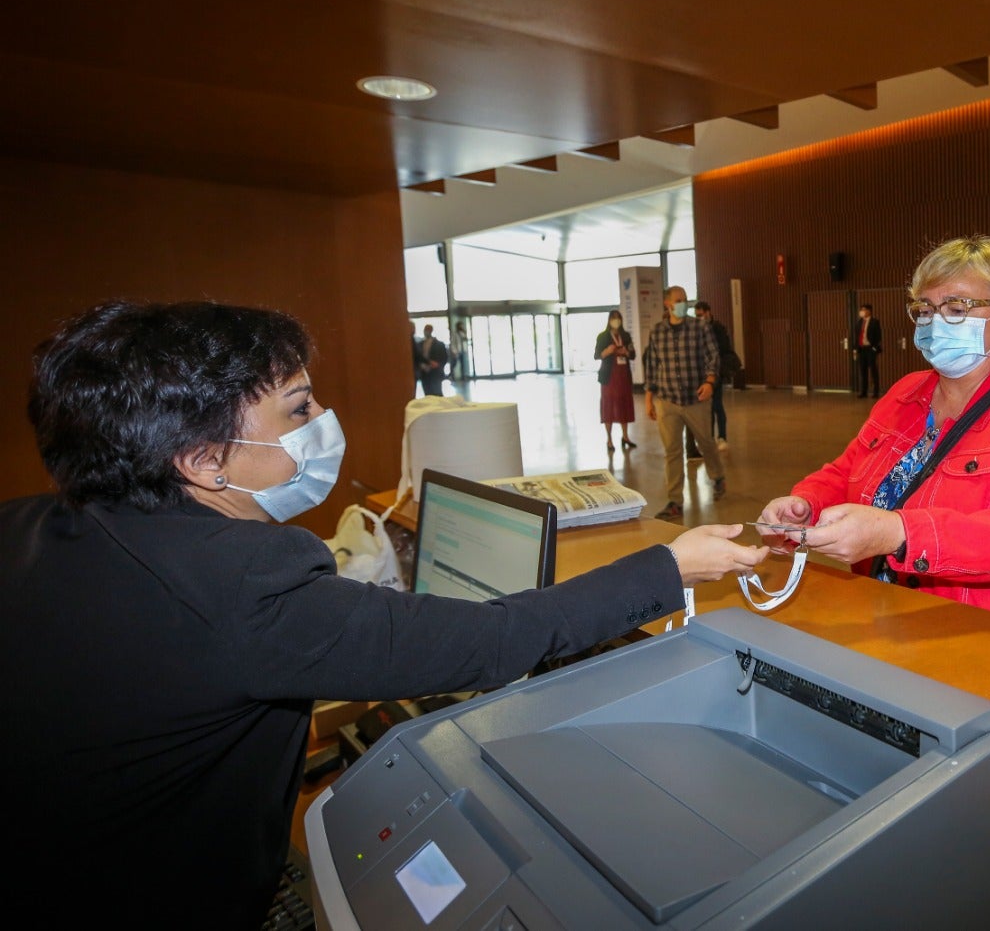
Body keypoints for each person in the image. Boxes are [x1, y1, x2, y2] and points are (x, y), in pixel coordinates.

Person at [0, 300, 768, 929]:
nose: (324, 420)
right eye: (299, 410)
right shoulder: (239, 582)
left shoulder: (32, 525)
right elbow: (496, 641)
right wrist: (671, 566)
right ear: (204, 460)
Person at [758, 235, 990, 633]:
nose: (936, 322)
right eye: (925, 309)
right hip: (890, 618)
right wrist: (805, 504)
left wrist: (898, 533)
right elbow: (849, 467)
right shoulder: (905, 393)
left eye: (956, 308)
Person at [642, 286, 727, 520]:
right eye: (678, 300)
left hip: (696, 399)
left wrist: (710, 382)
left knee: (706, 442)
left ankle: (718, 476)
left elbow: (713, 356)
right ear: (667, 304)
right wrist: (649, 398)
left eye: (685, 300)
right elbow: (651, 366)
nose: (683, 304)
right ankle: (675, 501)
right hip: (667, 401)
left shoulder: (700, 327)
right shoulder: (657, 332)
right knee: (672, 451)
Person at [694, 300, 738, 450]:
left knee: (717, 405)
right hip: (704, 373)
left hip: (717, 372)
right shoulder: (698, 330)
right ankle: (710, 437)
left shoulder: (718, 328)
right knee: (709, 408)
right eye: (697, 316)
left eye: (701, 315)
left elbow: (723, 349)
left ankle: (722, 437)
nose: (699, 318)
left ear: (708, 312)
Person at [595, 309, 637, 452]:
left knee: (624, 404)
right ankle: (609, 439)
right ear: (609, 320)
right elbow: (597, 355)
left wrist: (626, 352)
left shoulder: (625, 336)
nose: (616, 321)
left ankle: (625, 436)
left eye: (618, 318)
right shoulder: (603, 336)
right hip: (609, 376)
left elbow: (633, 355)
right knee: (609, 406)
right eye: (613, 318)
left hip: (623, 375)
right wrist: (608, 351)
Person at [854, 302, 883, 398]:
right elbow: (856, 336)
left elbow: (878, 336)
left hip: (871, 349)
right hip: (862, 349)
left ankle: (875, 392)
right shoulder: (859, 322)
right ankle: (864, 391)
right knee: (863, 371)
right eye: (861, 310)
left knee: (873, 370)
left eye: (864, 309)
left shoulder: (875, 322)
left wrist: (874, 347)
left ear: (869, 311)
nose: (862, 312)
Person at [416, 322, 451, 396]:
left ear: (431, 331)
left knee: (437, 392)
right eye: (425, 330)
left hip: (435, 372)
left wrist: (438, 365)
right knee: (427, 393)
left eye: (428, 330)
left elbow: (444, 358)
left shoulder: (440, 344)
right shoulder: (420, 344)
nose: (426, 332)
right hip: (424, 373)